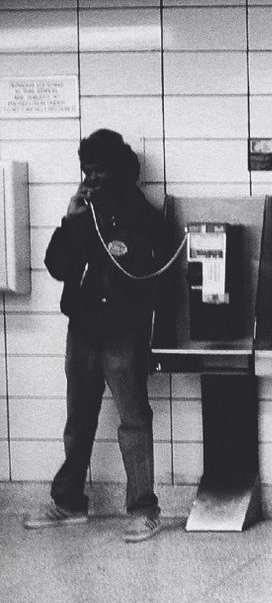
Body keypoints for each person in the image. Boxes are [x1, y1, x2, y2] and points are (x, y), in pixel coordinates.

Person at [24, 129, 170, 542]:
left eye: (99, 171)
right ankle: (68, 501)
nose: (89, 179)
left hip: (123, 330)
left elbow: (155, 275)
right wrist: (70, 221)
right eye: (85, 170)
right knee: (79, 417)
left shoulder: (141, 214)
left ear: (119, 172)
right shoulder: (81, 214)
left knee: (133, 420)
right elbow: (55, 265)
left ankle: (144, 508)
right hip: (83, 330)